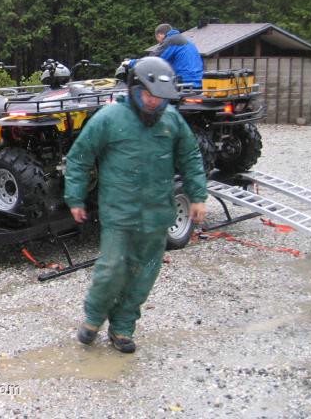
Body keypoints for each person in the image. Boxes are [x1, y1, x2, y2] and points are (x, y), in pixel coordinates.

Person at [65, 56, 207, 353]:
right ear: (133, 89)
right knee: (112, 267)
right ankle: (93, 317)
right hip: (120, 212)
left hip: (157, 214)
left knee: (144, 273)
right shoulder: (109, 118)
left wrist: (197, 196)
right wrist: (75, 198)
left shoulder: (172, 120)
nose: (154, 102)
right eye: (148, 94)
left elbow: (190, 157)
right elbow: (79, 158)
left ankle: (123, 328)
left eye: (161, 97)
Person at [119, 24, 204, 89]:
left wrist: (130, 63)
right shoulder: (186, 41)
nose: (160, 43)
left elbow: (152, 60)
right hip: (198, 82)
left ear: (159, 35)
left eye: (158, 40)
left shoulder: (171, 40)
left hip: (184, 82)